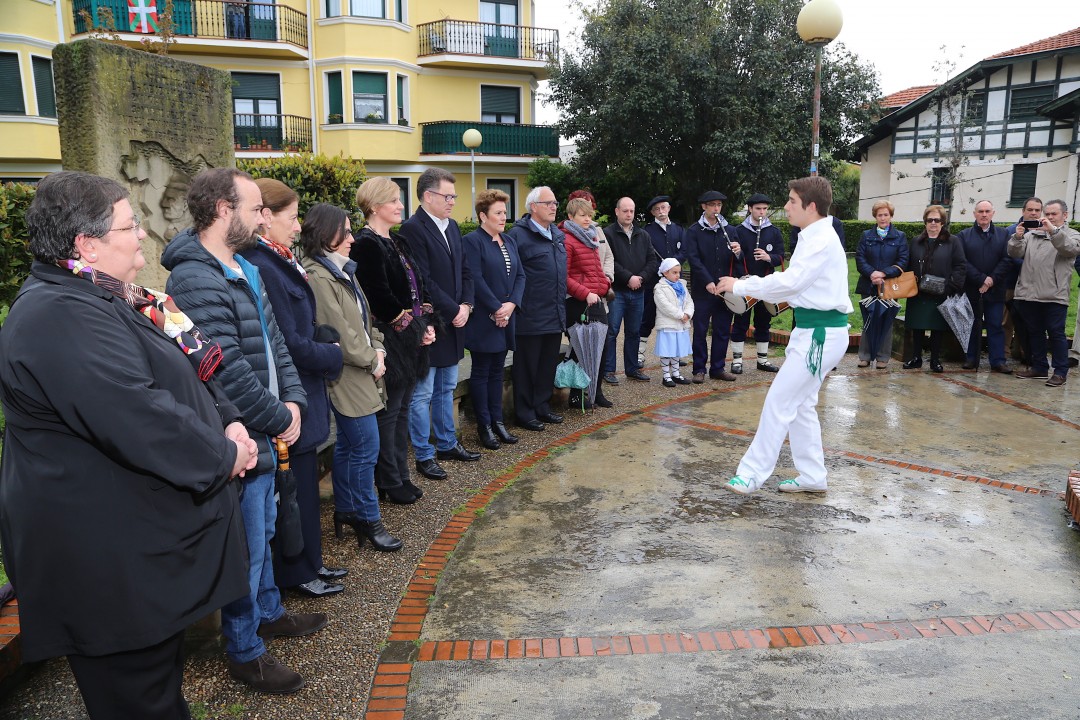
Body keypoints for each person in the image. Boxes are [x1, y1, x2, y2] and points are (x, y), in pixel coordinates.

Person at [0, 171, 253, 719]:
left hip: (130, 551)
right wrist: (225, 455)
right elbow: (138, 416)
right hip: (104, 565)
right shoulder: (57, 315)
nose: (141, 233)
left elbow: (184, 367)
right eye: (129, 224)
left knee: (155, 690)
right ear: (86, 245)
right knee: (138, 702)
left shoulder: (103, 295)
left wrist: (229, 419)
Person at [162, 167, 324, 694]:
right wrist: (280, 419)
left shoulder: (244, 266)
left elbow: (276, 345)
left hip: (267, 428)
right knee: (248, 546)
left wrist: (294, 402)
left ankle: (269, 613)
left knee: (267, 530)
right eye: (255, 209)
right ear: (222, 210)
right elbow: (224, 368)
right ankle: (245, 650)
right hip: (242, 438)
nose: (263, 218)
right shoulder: (194, 277)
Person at [241, 178, 347, 599]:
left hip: (303, 392)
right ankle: (297, 571)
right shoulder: (264, 264)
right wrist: (332, 354)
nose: (299, 226)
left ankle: (311, 562)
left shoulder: (278, 259)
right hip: (292, 395)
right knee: (295, 492)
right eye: (292, 217)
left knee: (303, 485)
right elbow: (288, 341)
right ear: (265, 218)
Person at [718, 176, 852, 495]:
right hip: (813, 332)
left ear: (811, 206)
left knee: (780, 401)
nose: (786, 207)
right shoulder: (813, 235)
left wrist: (742, 285)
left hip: (820, 335)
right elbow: (797, 284)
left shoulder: (820, 238)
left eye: (792, 201)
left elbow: (792, 282)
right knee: (801, 406)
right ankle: (813, 476)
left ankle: (751, 474)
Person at [301, 203, 405, 549]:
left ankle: (346, 510)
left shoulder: (342, 269)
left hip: (361, 369)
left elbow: (364, 319)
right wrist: (372, 360)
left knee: (349, 446)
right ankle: (368, 518)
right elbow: (340, 334)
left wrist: (379, 349)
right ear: (325, 234)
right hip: (346, 374)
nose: (351, 238)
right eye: (344, 232)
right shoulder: (319, 276)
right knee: (365, 448)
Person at [351, 177, 436, 502]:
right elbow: (378, 296)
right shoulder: (366, 244)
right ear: (375, 206)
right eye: (394, 201)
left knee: (401, 411)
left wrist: (427, 324)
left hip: (410, 341)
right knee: (389, 413)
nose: (401, 206)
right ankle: (388, 479)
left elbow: (420, 286)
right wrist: (414, 327)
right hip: (389, 342)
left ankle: (400, 474)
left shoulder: (398, 241)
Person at [398, 167, 479, 481]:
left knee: (446, 388)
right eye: (448, 196)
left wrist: (467, 305)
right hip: (430, 324)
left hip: (455, 321)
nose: (452, 202)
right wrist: (453, 308)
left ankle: (447, 444)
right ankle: (424, 454)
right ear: (428, 196)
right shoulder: (412, 229)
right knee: (422, 394)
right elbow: (422, 279)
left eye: (454, 196)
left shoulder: (453, 226)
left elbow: (466, 271)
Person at [462, 189, 526, 448]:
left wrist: (510, 306)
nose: (503, 217)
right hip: (483, 319)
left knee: (497, 372)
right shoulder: (472, 241)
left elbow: (520, 275)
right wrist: (496, 309)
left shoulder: (509, 240)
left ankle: (498, 423)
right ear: (482, 216)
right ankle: (484, 426)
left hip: (506, 317)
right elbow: (475, 279)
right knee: (481, 371)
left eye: (504, 212)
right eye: (498, 213)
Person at [506, 186, 567, 431]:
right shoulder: (518, 235)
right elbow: (512, 274)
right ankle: (524, 412)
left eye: (555, 203)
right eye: (548, 203)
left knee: (546, 365)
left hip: (554, 312)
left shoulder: (557, 234)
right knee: (527, 367)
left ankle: (542, 406)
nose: (553, 207)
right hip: (529, 315)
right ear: (533, 207)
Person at [1008, 199, 1080, 387]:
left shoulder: (1072, 235)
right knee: (1035, 332)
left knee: (1056, 334)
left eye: (1053, 214)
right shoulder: (1032, 234)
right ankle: (1039, 367)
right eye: (1046, 214)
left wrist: (1053, 232)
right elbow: (1015, 253)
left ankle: (1060, 372)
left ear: (1065, 215)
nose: (1049, 217)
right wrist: (1017, 238)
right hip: (1029, 293)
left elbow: (1069, 249)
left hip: (1054, 295)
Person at [683, 190, 742, 383]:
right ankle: (699, 369)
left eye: (719, 205)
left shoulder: (730, 230)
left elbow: (738, 261)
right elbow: (694, 259)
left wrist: (738, 252)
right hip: (703, 289)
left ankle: (718, 368)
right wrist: (708, 281)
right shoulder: (694, 231)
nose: (716, 208)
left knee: (722, 329)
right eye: (712, 205)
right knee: (700, 330)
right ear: (704, 206)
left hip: (725, 289)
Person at [563, 195, 614, 409]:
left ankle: (596, 391)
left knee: (602, 347)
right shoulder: (567, 240)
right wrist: (585, 293)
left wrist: (605, 285)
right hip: (578, 303)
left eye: (589, 215)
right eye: (582, 215)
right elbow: (564, 277)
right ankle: (576, 395)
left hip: (597, 300)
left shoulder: (590, 236)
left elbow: (597, 269)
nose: (587, 219)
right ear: (570, 216)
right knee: (579, 350)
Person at [902, 205, 966, 373]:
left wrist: (951, 286)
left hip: (941, 291)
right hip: (918, 292)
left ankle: (935, 360)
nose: (933, 223)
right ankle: (916, 358)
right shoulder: (916, 241)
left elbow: (960, 266)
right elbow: (908, 264)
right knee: (917, 326)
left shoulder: (953, 241)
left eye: (937, 220)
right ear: (925, 222)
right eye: (930, 220)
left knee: (937, 327)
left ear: (942, 222)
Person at [602, 197, 657, 384]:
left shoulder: (643, 235)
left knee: (634, 331)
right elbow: (608, 261)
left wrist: (640, 278)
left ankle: (632, 368)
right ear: (617, 211)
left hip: (638, 291)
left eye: (631, 211)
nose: (629, 214)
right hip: (617, 292)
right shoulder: (607, 234)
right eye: (625, 211)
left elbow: (652, 260)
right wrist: (628, 278)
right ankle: (608, 370)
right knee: (612, 331)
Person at [956, 199, 1013, 373]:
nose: (984, 214)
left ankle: (998, 361)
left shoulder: (1003, 234)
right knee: (972, 324)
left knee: (995, 325)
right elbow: (962, 261)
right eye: (980, 211)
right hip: (972, 288)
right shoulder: (964, 235)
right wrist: (981, 279)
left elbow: (1007, 259)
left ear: (993, 213)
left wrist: (991, 280)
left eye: (987, 211)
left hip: (995, 289)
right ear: (975, 214)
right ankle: (971, 358)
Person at [732, 193, 785, 373]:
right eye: (758, 209)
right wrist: (739, 258)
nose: (762, 212)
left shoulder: (774, 231)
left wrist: (768, 257)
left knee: (764, 322)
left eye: (764, 209)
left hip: (766, 283)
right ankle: (737, 361)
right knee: (741, 322)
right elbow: (735, 259)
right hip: (746, 283)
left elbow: (781, 256)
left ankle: (762, 360)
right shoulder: (739, 231)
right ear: (750, 209)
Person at [854, 200, 908, 369]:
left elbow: (903, 261)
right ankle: (865, 356)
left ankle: (883, 357)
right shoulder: (866, 235)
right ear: (875, 217)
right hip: (868, 284)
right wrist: (872, 274)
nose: (883, 218)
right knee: (868, 320)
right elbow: (860, 258)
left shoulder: (900, 236)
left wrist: (884, 273)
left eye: (886, 215)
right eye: (879, 215)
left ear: (891, 216)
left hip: (889, 286)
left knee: (887, 321)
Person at [640, 195, 687, 365]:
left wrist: (672, 267)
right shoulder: (647, 231)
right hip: (654, 281)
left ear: (669, 209)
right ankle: (639, 354)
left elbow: (684, 251)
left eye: (663, 208)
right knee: (648, 317)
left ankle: (675, 355)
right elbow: (646, 255)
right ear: (653, 212)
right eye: (657, 209)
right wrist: (661, 269)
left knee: (675, 318)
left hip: (674, 282)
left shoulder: (679, 230)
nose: (661, 211)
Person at [1004, 197, 1042, 366]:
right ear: (1023, 211)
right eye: (1030, 210)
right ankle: (1003, 355)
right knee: (1006, 322)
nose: (1033, 213)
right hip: (1011, 283)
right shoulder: (1011, 230)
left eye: (1037, 210)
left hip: (1034, 286)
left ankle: (1023, 353)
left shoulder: (1045, 231)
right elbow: (1008, 256)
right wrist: (1029, 266)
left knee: (1027, 321)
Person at [652, 258, 694, 387]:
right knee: (667, 350)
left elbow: (689, 301)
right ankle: (666, 376)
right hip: (668, 324)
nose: (678, 275)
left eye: (679, 272)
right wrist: (680, 315)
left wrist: (687, 314)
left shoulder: (682, 286)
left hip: (681, 324)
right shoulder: (659, 288)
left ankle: (676, 374)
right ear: (665, 273)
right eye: (674, 272)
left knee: (676, 350)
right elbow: (665, 306)